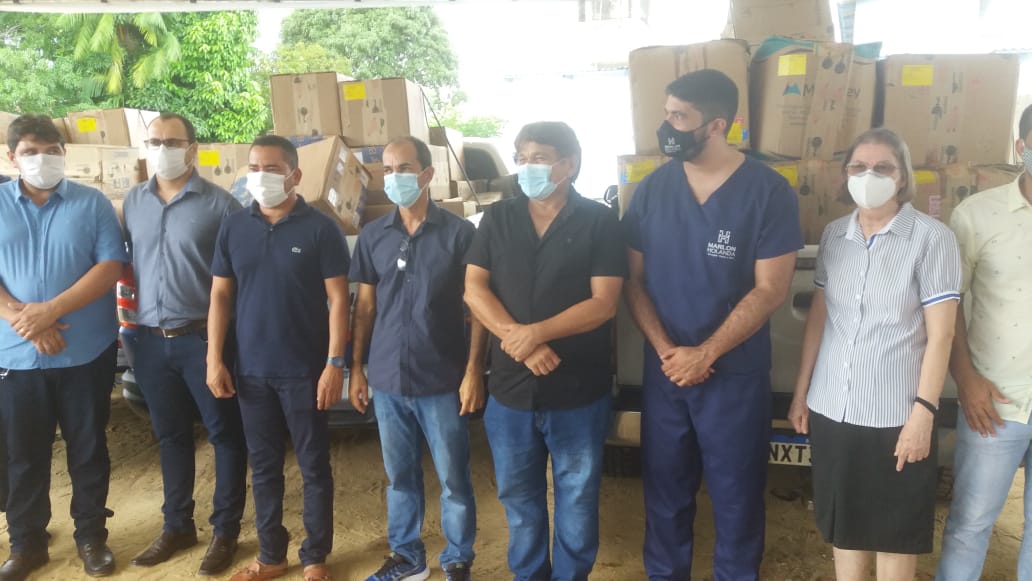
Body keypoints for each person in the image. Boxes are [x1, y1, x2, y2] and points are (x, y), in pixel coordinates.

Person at [622, 69, 802, 580]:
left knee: (737, 495)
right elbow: (633, 281)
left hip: (733, 376)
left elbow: (770, 289)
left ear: (717, 124)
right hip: (666, 373)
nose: (667, 126)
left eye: (680, 117)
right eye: (666, 113)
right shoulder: (652, 190)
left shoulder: (768, 192)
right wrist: (668, 351)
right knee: (664, 492)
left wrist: (706, 353)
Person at [788, 127, 960, 580]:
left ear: (902, 177)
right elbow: (820, 317)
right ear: (845, 175)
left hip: (896, 414)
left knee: (893, 531)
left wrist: (923, 414)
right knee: (845, 526)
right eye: (859, 167)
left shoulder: (931, 238)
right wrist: (801, 391)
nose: (869, 176)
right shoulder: (834, 236)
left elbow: (941, 335)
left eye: (883, 167)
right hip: (833, 406)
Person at [464, 121, 626, 581]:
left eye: (539, 158)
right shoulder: (498, 218)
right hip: (511, 391)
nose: (526, 167)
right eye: (521, 158)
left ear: (568, 165)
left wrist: (534, 333)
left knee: (577, 498)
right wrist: (521, 342)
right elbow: (474, 289)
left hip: (577, 390)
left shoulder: (598, 221)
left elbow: (604, 303)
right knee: (519, 499)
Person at [207, 135, 349, 581]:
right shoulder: (234, 226)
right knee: (264, 467)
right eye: (254, 168)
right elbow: (220, 296)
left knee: (313, 466)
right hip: (251, 371)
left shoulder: (320, 228)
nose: (261, 177)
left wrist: (334, 364)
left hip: (305, 371)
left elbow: (339, 300)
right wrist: (214, 358)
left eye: (271, 169)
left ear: (294, 175)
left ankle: (315, 557)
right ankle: (271, 555)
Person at [349, 136, 484, 581]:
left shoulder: (459, 235)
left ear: (427, 174)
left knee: (454, 479)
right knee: (400, 477)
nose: (394, 178)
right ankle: (407, 558)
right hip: (388, 378)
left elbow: (478, 309)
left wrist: (473, 372)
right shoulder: (373, 236)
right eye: (387, 170)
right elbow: (364, 308)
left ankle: (458, 558)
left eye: (404, 168)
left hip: (442, 378)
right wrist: (356, 368)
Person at [0, 115, 126, 579]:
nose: (43, 159)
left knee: (88, 449)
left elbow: (111, 266)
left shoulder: (92, 203)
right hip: (16, 355)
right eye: (31, 152)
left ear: (64, 153)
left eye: (52, 151)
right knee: (23, 453)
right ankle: (26, 544)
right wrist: (25, 321)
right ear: (12, 157)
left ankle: (92, 537)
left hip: (85, 353)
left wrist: (50, 310)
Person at [124, 113, 248, 575]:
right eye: (155, 141)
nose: (163, 149)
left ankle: (225, 531)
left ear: (193, 148)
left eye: (172, 142)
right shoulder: (133, 201)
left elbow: (237, 280)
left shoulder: (221, 205)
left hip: (204, 339)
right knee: (170, 436)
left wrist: (220, 351)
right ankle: (177, 526)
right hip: (149, 341)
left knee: (224, 435)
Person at [937, 105, 1032, 580]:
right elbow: (948, 302)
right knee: (970, 525)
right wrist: (965, 378)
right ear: (1022, 147)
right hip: (994, 401)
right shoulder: (977, 215)